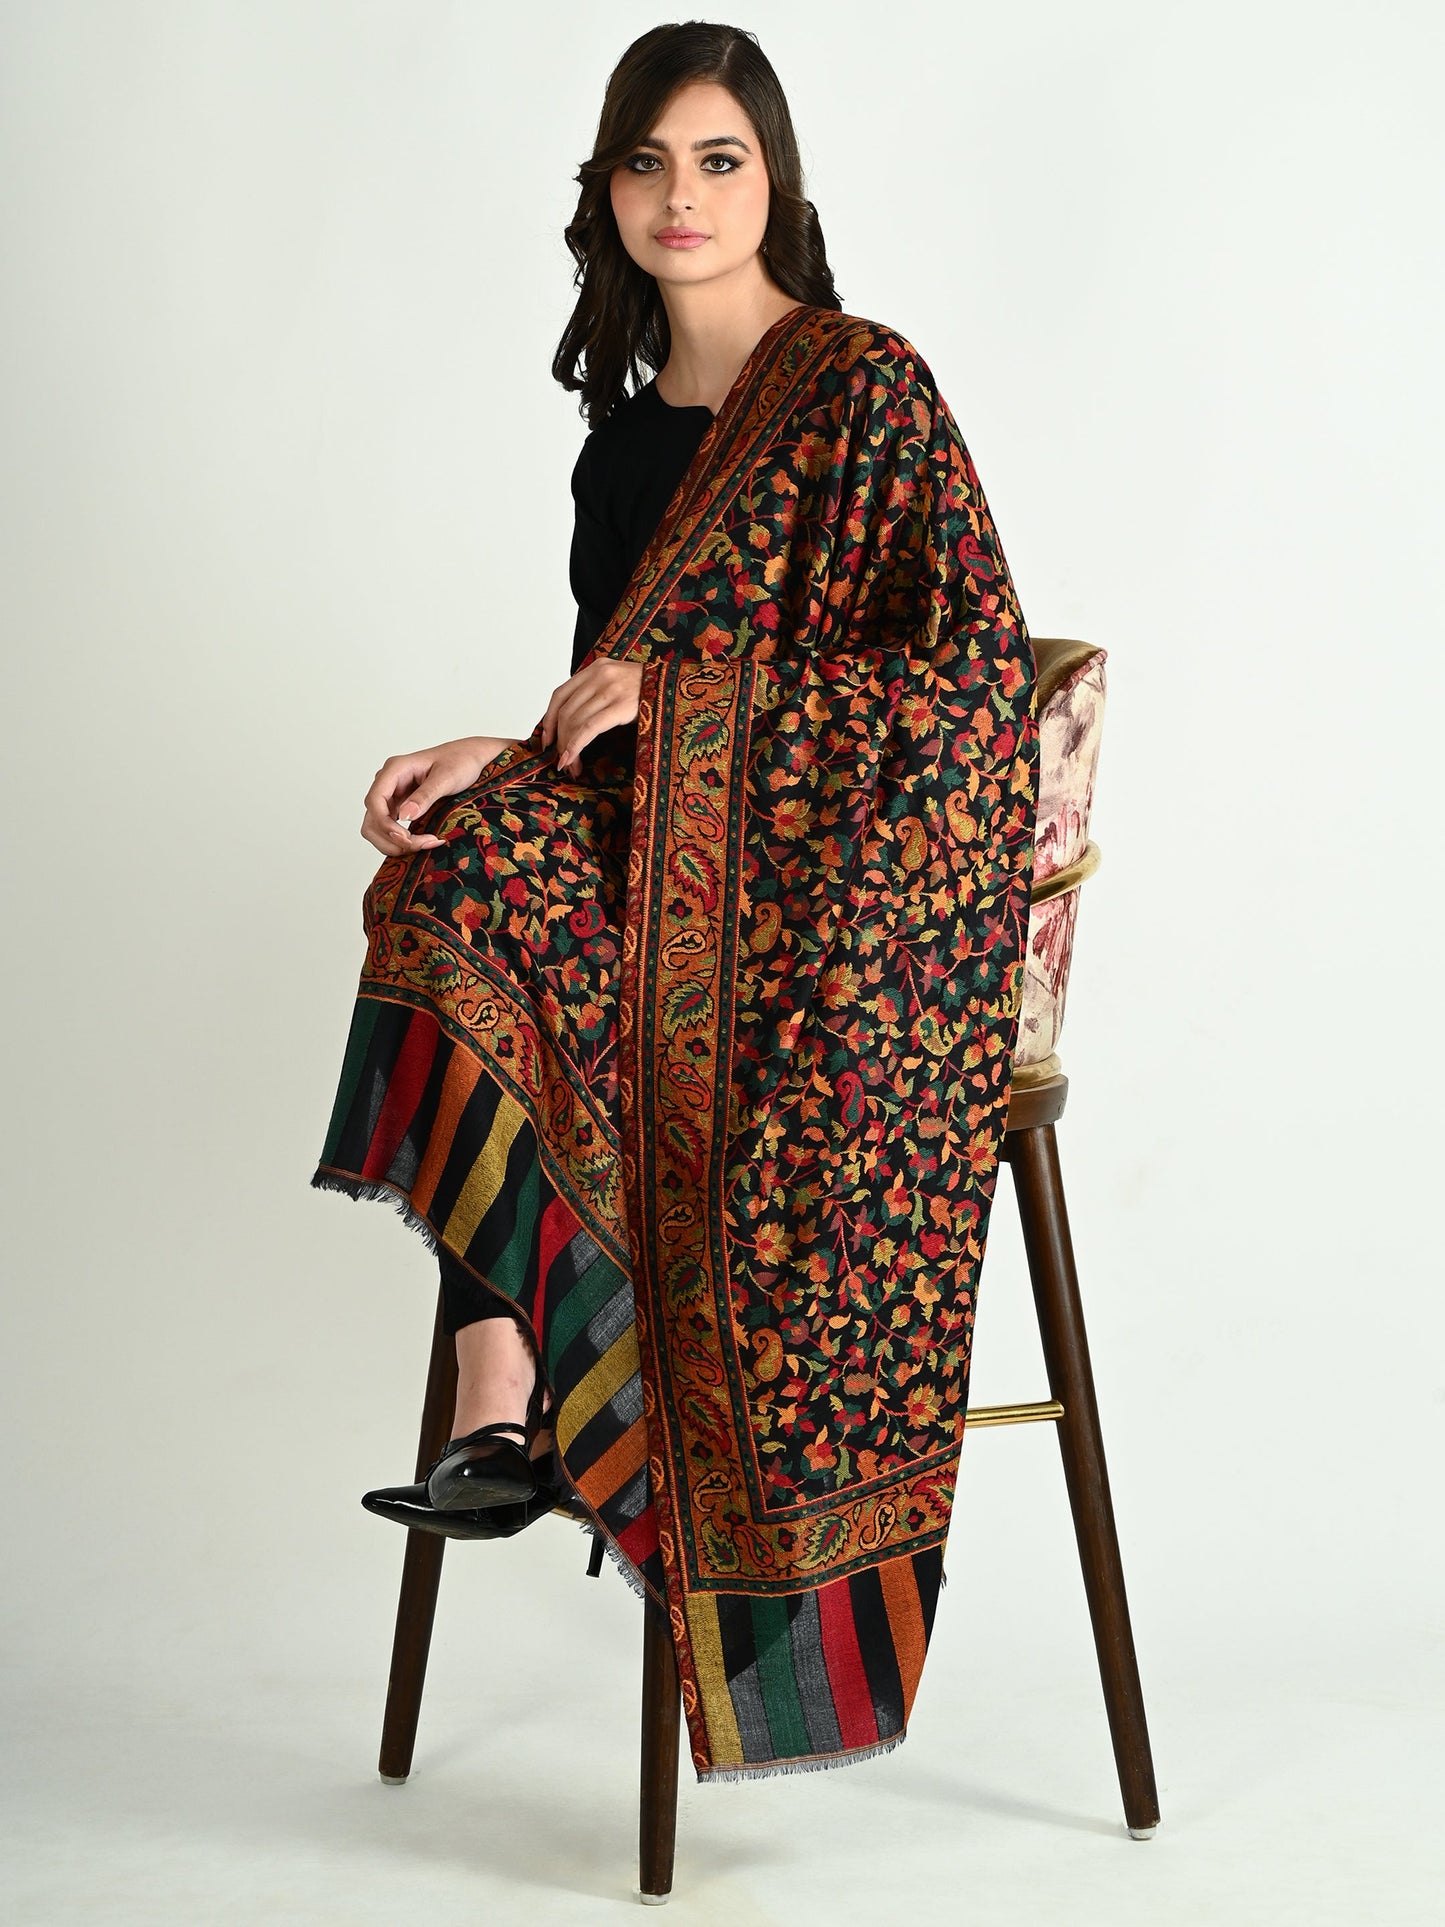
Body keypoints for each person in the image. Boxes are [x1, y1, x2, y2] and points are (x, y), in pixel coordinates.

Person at [313, 21, 1039, 1781]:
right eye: (647, 163)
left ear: (773, 177)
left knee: (492, 899)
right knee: (445, 876)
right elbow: (609, 723)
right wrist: (508, 747)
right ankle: (507, 1400)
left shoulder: (863, 386)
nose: (681, 196)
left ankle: (550, 1408)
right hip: (652, 881)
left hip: (822, 923)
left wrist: (710, 714)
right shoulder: (623, 449)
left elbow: (973, 691)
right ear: (606, 194)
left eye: (716, 159)